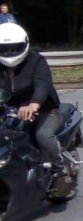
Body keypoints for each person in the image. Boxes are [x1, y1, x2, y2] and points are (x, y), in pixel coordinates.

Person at [0, 22, 62, 173]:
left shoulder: (36, 60)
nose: (9, 53)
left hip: (44, 109)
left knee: (43, 135)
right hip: (9, 109)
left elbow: (43, 83)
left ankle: (58, 168)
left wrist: (34, 104)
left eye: (15, 48)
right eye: (4, 49)